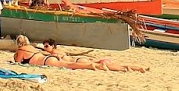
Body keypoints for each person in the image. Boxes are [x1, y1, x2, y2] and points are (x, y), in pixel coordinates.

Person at [11, 36, 148, 71]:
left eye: (47, 45)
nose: (45, 46)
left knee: (73, 65)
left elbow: (17, 62)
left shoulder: (21, 51)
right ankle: (131, 67)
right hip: (50, 59)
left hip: (48, 61)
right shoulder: (34, 48)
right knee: (94, 62)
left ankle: (95, 67)